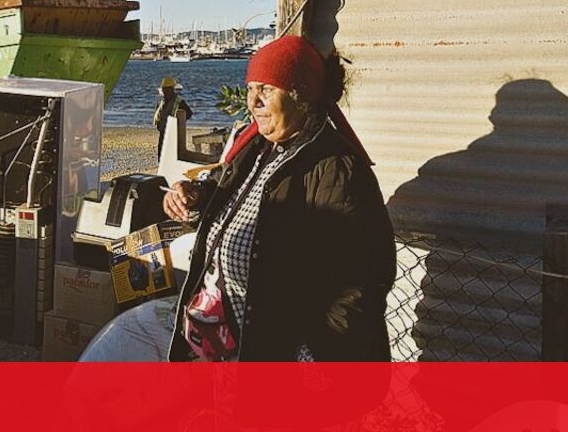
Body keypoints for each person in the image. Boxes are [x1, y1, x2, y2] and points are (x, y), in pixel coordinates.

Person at [163, 35, 396, 361]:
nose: (253, 102)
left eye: (267, 90)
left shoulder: (336, 169)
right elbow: (226, 201)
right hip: (228, 348)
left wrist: (314, 364)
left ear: (302, 96)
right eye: (250, 89)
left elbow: (361, 283)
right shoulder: (257, 148)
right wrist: (194, 200)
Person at [153, 77, 193, 157]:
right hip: (163, 133)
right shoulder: (161, 102)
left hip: (174, 134)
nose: (165, 91)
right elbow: (158, 116)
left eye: (167, 89)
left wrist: (178, 124)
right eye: (164, 89)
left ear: (172, 89)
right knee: (161, 156)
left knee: (172, 156)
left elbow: (189, 113)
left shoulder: (179, 101)